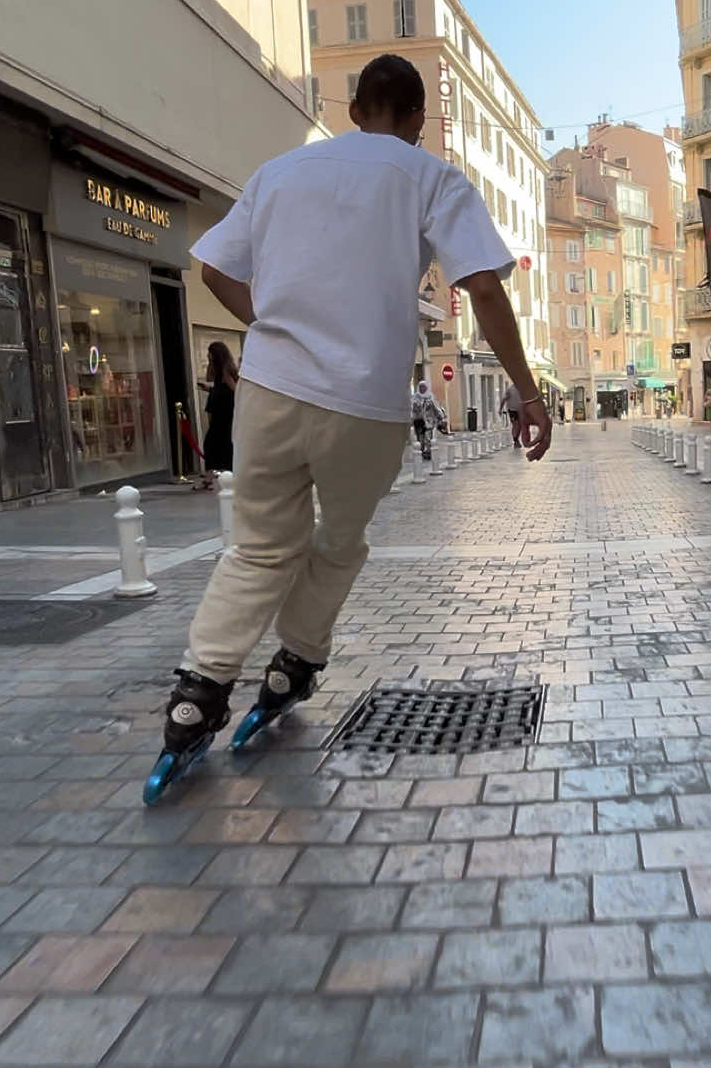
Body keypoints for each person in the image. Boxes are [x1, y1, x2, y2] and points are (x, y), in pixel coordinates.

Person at [149, 53, 551, 780]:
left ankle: (197, 693)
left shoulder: (279, 172)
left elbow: (215, 268)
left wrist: (269, 325)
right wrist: (527, 391)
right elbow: (484, 289)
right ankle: (293, 664)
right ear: (418, 121)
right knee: (338, 540)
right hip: (364, 403)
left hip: (269, 390)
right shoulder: (430, 177)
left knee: (259, 547)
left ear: (354, 108)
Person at [196, 340, 238, 487]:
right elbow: (218, 385)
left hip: (224, 412)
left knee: (215, 442)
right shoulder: (219, 369)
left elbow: (235, 390)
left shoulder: (226, 370)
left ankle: (215, 476)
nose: (208, 355)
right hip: (221, 411)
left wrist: (214, 391)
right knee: (216, 443)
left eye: (210, 353)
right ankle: (212, 476)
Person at [410, 378, 446, 459]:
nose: (422, 389)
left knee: (427, 437)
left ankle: (428, 451)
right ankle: (421, 451)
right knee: (420, 438)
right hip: (419, 421)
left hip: (429, 421)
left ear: (426, 388)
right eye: (420, 387)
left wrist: (441, 417)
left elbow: (436, 408)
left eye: (423, 387)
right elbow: (412, 409)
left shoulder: (430, 397)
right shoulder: (415, 398)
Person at [500, 381, 524, 448]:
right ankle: (515, 440)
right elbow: (504, 399)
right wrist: (500, 409)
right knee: (516, 424)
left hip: (521, 410)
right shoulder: (510, 389)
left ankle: (516, 439)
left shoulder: (522, 389)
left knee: (520, 426)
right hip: (512, 410)